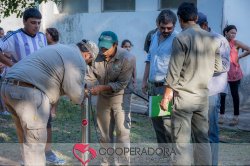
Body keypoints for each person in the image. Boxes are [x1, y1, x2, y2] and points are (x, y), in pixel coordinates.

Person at [0, 40, 99, 166]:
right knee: (35, 143)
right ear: (88, 55)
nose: (86, 64)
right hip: (29, 93)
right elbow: (75, 94)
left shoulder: (61, 48)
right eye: (89, 62)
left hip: (8, 87)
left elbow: (56, 81)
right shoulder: (77, 59)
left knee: (26, 138)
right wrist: (83, 93)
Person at [160, 2, 223, 165]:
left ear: (180, 19)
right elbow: (218, 68)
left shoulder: (181, 38)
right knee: (202, 138)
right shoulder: (213, 39)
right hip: (203, 97)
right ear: (196, 17)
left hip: (183, 98)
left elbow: (173, 74)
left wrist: (165, 98)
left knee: (181, 142)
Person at [85, 31, 134, 165]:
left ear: (115, 45)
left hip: (122, 97)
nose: (103, 50)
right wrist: (87, 87)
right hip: (103, 99)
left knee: (122, 134)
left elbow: (121, 84)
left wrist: (100, 88)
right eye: (101, 47)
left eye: (106, 48)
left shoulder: (128, 58)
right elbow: (90, 77)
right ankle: (105, 163)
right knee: (104, 134)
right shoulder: (97, 57)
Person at [197, 12, 230, 166]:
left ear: (204, 25)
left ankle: (213, 163)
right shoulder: (194, 39)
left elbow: (224, 65)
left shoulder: (219, 40)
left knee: (211, 131)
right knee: (197, 131)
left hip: (211, 91)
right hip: (194, 92)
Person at [141, 9, 178, 144]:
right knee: (156, 121)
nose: (166, 30)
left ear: (174, 25)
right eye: (163, 27)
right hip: (153, 86)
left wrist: (170, 92)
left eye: (169, 28)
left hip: (167, 87)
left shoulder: (177, 39)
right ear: (157, 24)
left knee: (168, 123)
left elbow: (178, 66)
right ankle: (163, 153)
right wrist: (144, 80)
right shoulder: (153, 36)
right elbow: (150, 58)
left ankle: (174, 156)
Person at [219, 25, 250, 126]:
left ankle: (235, 117)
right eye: (231, 33)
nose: (233, 35)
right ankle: (221, 116)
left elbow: (249, 49)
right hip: (222, 73)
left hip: (234, 73)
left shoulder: (236, 43)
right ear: (226, 32)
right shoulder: (220, 42)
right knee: (222, 95)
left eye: (235, 33)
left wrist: (239, 56)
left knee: (234, 95)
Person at [44, 27, 65, 164]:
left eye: (46, 35)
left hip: (49, 91)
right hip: (38, 90)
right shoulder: (43, 48)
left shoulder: (56, 50)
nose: (43, 36)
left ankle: (48, 152)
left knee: (47, 125)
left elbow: (57, 84)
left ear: (51, 36)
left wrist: (53, 108)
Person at [121, 39, 136, 114]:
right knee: (119, 103)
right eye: (125, 46)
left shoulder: (132, 57)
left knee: (127, 103)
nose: (127, 48)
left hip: (128, 83)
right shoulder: (119, 57)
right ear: (122, 47)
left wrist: (134, 81)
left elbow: (134, 69)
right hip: (119, 83)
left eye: (129, 46)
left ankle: (127, 120)